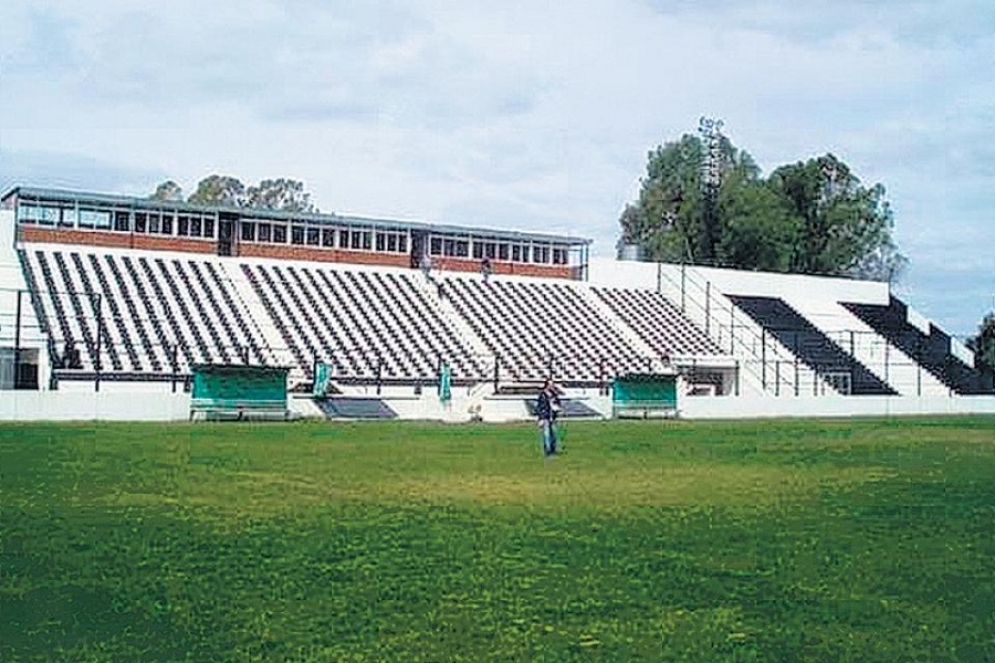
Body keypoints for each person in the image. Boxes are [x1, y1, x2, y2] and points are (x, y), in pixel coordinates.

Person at [536, 378, 562, 456]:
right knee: (546, 434)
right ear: (547, 385)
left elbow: (558, 403)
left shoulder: (554, 394)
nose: (552, 386)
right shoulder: (542, 395)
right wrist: (541, 418)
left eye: (553, 384)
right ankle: (547, 451)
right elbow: (540, 407)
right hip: (545, 417)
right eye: (550, 384)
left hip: (552, 417)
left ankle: (553, 450)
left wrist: (557, 408)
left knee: (554, 434)